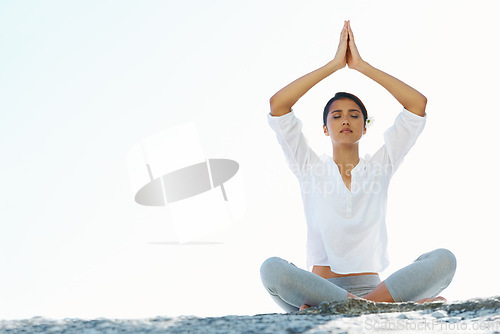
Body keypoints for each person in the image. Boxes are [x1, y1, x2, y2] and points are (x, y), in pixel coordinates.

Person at [260, 20, 456, 312]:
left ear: (365, 127)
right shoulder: (308, 167)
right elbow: (279, 106)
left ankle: (364, 306)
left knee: (444, 260)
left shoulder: (380, 166)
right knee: (271, 269)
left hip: (373, 290)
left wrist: (361, 66)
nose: (345, 120)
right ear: (325, 129)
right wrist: (334, 65)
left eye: (354, 115)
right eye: (336, 116)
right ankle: (376, 308)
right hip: (318, 292)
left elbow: (417, 105)